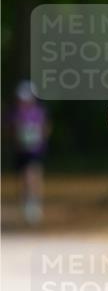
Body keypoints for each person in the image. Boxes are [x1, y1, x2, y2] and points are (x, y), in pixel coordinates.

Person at [12, 80, 50, 225]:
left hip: (36, 150)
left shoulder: (39, 112)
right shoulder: (17, 113)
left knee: (33, 175)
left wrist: (39, 141)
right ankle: (26, 202)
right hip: (22, 150)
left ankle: (35, 203)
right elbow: (14, 131)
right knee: (24, 177)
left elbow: (45, 128)